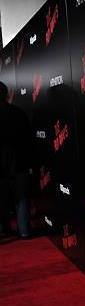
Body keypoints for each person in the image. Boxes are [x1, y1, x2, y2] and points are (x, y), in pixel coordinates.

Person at [0, 81, 33, 238]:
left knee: (1, 200)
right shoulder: (19, 113)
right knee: (22, 199)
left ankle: (4, 229)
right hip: (20, 164)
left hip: (3, 167)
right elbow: (28, 140)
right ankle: (24, 231)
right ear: (6, 95)